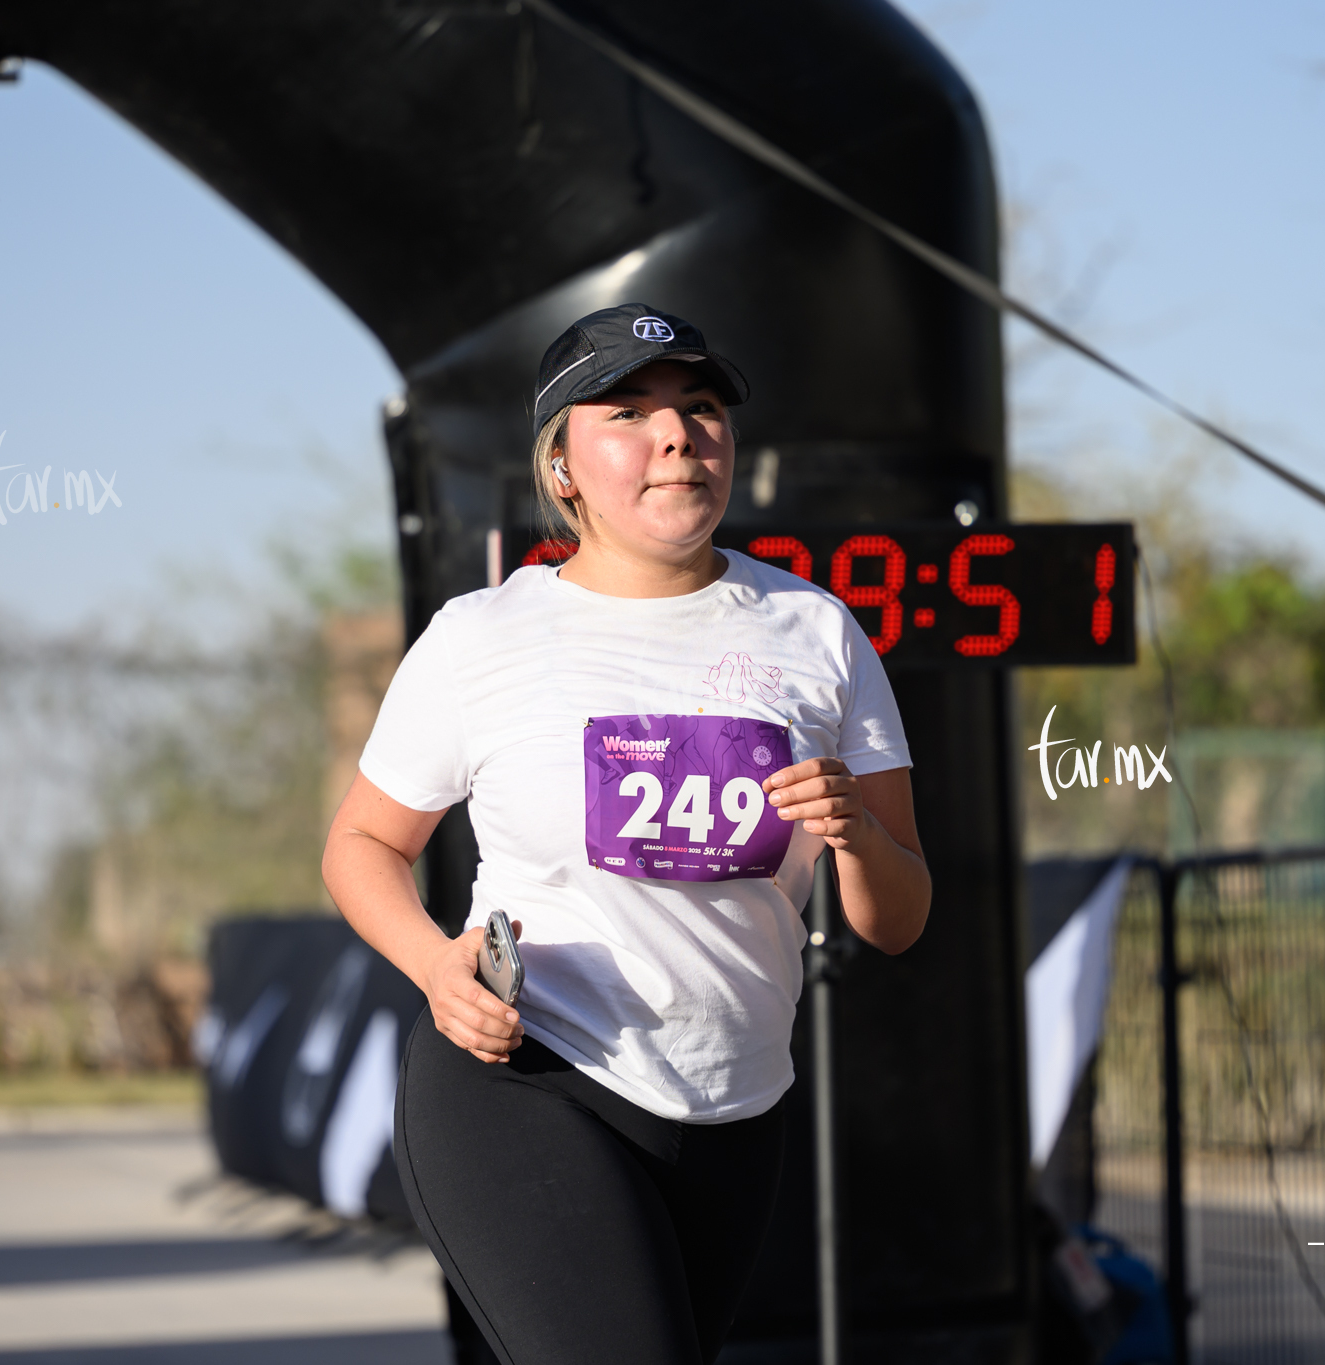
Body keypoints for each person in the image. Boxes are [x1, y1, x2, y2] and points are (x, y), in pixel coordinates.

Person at [322, 302, 931, 1365]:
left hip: (733, 1109)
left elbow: (898, 919)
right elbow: (360, 847)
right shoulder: (482, 638)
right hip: (528, 1076)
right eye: (628, 413)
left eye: (699, 411)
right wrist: (436, 968)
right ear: (561, 465)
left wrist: (853, 837)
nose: (675, 436)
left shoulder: (816, 632)